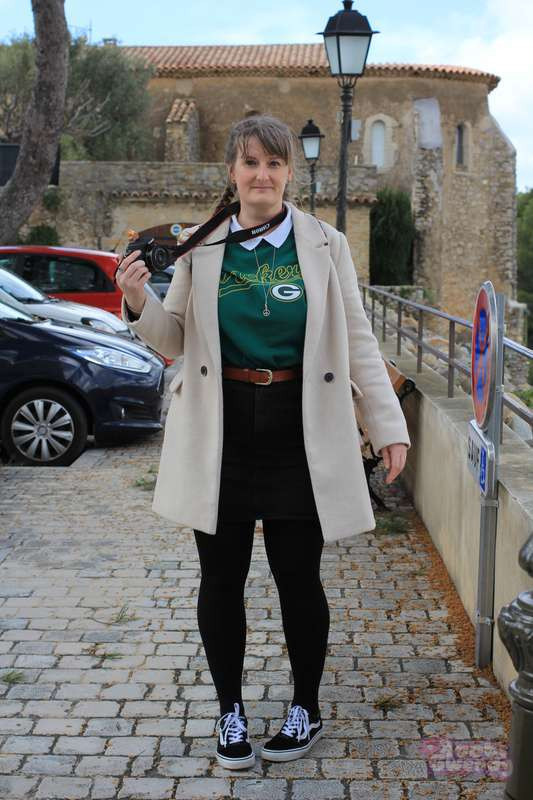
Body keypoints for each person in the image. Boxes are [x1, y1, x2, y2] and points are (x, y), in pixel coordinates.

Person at [116, 114, 411, 771]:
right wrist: (138, 301)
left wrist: (388, 425)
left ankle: (305, 707)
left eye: (274, 164)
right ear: (232, 172)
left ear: (288, 172)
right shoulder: (202, 245)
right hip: (221, 426)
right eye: (250, 163)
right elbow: (174, 339)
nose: (262, 175)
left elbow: (358, 340)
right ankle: (230, 711)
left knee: (298, 577)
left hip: (300, 426)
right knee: (220, 578)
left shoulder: (326, 244)